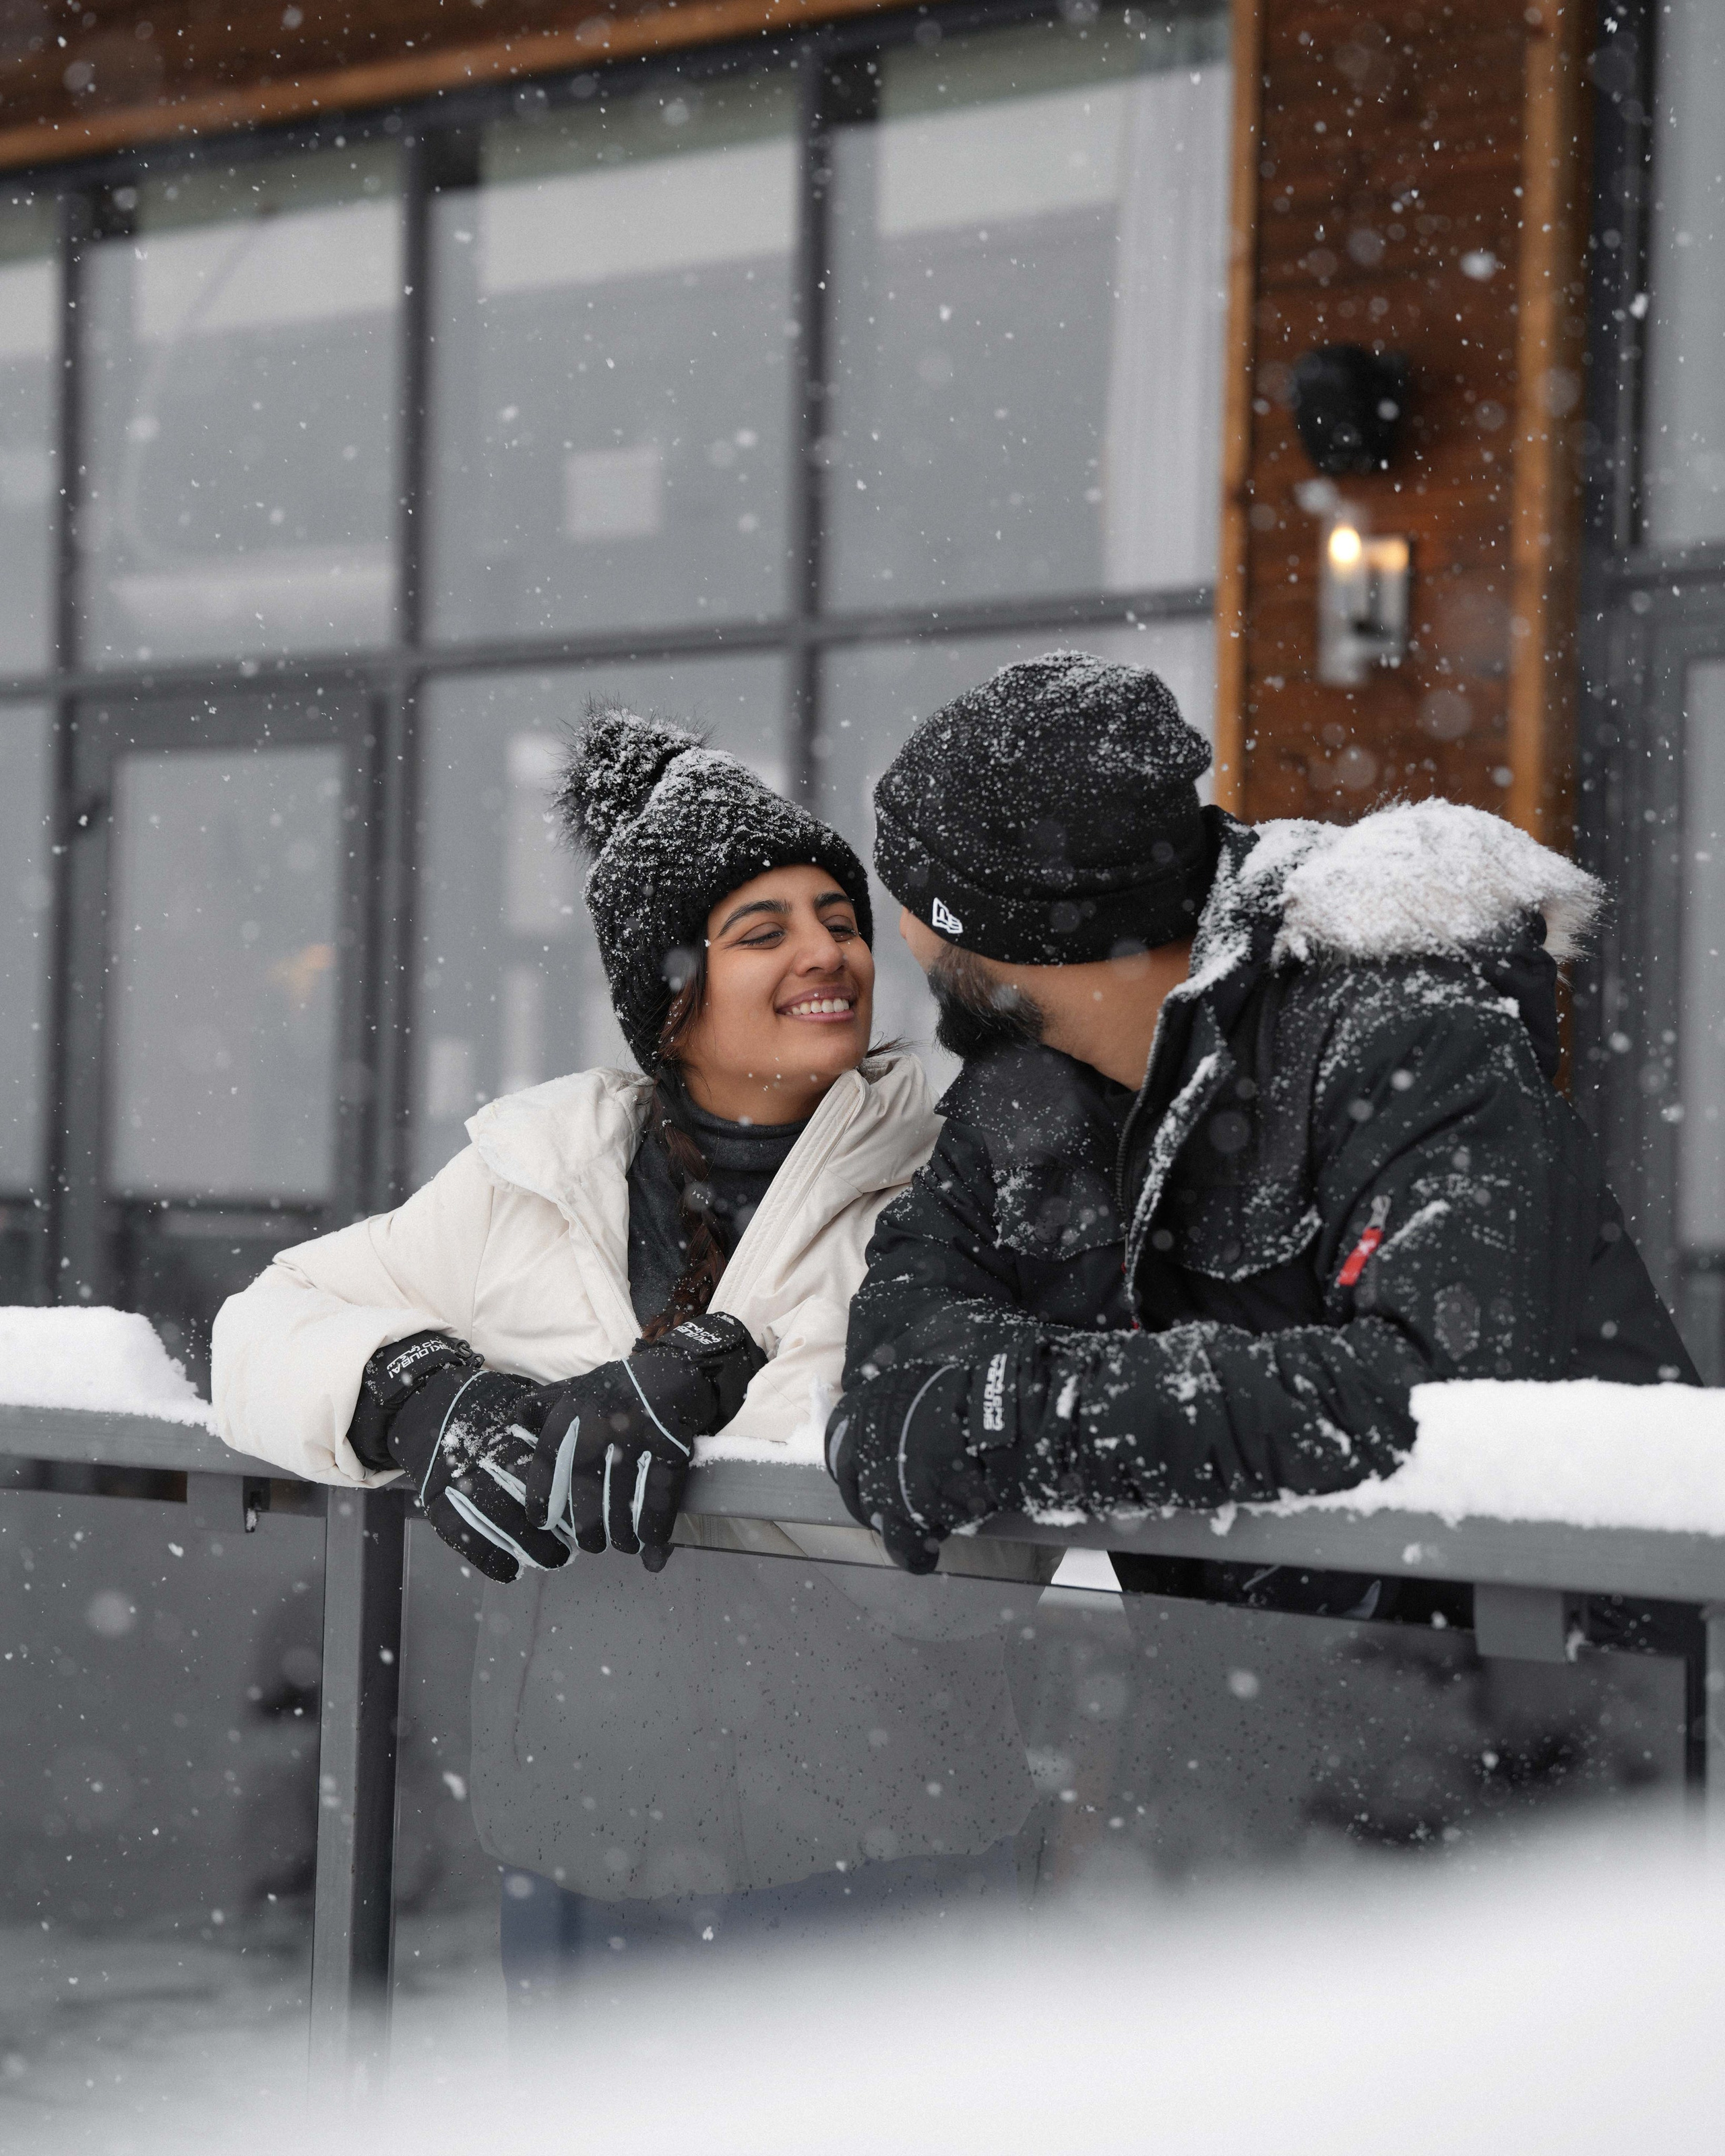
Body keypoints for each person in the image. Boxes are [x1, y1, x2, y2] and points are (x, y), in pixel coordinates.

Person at [213, 705, 1035, 1994]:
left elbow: (961, 1534)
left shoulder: (958, 1163)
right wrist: (422, 1397)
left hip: (880, 1863)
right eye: (763, 931)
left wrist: (714, 1394)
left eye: (838, 917)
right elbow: (264, 1323)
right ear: (668, 992)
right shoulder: (539, 1177)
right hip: (588, 1855)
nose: (828, 951)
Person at [827, 652, 1698, 1581]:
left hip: (1539, 1685)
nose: (901, 937)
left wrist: (1021, 1411)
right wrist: (993, 1407)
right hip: (1239, 1697)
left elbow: (1440, 1405)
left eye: (909, 903)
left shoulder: (1405, 1037)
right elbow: (901, 1341)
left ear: (997, 932)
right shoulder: (1019, 1095)